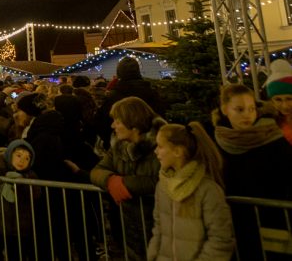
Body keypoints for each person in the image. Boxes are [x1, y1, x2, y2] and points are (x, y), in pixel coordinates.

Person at [212, 83, 292, 258]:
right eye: (239, 110)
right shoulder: (217, 142)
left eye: (251, 109)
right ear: (225, 109)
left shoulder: (271, 138)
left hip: (273, 222)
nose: (247, 115)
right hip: (235, 227)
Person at [90, 96, 165, 260]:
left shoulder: (164, 144)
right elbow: (97, 171)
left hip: (163, 225)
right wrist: (110, 180)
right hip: (131, 229)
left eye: (117, 121)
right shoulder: (118, 147)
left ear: (133, 122)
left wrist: (124, 183)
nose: (112, 126)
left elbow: (163, 179)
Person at [148, 122, 234, 260]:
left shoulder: (207, 189)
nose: (156, 151)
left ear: (177, 151)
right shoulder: (163, 187)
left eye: (160, 146)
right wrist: (153, 256)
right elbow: (159, 228)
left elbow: (220, 239)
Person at [0, 140, 41, 261]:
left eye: (27, 158)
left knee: (16, 254)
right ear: (10, 154)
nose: (22, 160)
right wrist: (1, 186)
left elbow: (36, 193)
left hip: (20, 227)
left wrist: (22, 183)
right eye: (18, 155)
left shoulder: (30, 174)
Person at [97, 56, 166, 147]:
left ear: (119, 73)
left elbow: (103, 123)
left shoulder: (112, 97)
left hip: (121, 146)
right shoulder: (152, 93)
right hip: (150, 144)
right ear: (138, 71)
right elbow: (160, 115)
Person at [265, 58, 292, 144]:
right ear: (271, 100)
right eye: (278, 100)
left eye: (289, 98)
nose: (285, 105)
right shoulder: (266, 123)